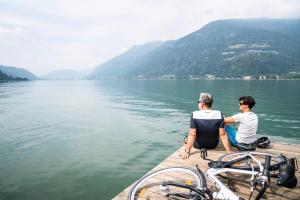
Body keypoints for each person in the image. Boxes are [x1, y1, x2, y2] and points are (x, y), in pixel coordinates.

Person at [180, 93, 232, 159]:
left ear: (202, 104)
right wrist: (229, 152)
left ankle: (186, 146)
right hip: (213, 145)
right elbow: (222, 135)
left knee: (186, 137)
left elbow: (192, 135)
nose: (198, 104)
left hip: (198, 145)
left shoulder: (194, 115)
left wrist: (187, 152)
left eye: (198, 102)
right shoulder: (219, 114)